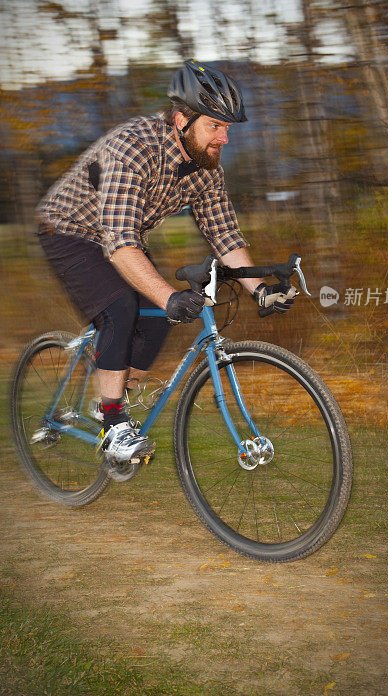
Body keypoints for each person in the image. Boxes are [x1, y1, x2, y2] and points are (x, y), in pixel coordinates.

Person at [36, 60, 297, 465]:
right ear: (181, 119)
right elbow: (119, 240)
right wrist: (168, 295)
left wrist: (259, 288)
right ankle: (113, 420)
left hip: (120, 237)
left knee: (160, 318)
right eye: (215, 125)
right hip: (69, 230)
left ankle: (110, 399)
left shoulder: (206, 169)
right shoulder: (134, 147)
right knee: (121, 308)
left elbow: (225, 235)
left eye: (228, 128)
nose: (225, 137)